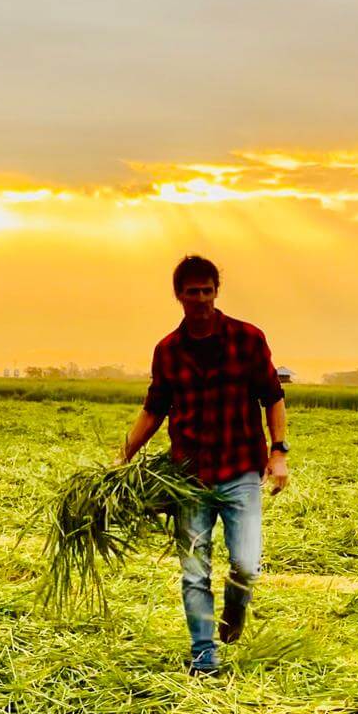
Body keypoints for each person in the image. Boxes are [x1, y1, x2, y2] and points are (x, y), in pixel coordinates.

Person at [121, 255, 289, 676]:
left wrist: (279, 453)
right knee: (195, 571)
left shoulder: (248, 339)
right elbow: (154, 409)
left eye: (207, 291)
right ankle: (203, 655)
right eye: (191, 292)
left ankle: (235, 610)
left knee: (246, 565)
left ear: (217, 291)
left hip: (241, 471)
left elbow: (273, 397)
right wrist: (121, 459)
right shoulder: (168, 351)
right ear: (178, 295)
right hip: (189, 477)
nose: (200, 299)